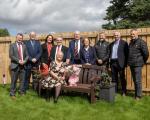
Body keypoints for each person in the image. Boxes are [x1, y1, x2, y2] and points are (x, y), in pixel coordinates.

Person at [128, 29, 149, 100]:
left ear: (137, 34)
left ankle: (138, 96)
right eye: (131, 34)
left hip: (138, 64)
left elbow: (146, 53)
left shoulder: (141, 42)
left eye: (133, 34)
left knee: (137, 80)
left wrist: (142, 61)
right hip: (131, 64)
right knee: (134, 80)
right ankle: (136, 94)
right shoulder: (131, 42)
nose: (132, 35)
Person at [9, 33, 29, 99]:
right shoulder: (12, 45)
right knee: (14, 80)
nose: (20, 39)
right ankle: (12, 93)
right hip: (15, 65)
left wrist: (25, 61)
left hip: (23, 66)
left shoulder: (24, 46)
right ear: (16, 38)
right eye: (19, 38)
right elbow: (11, 56)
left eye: (21, 38)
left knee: (22, 80)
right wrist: (19, 61)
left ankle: (21, 92)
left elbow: (27, 56)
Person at [109, 31, 128, 96]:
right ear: (113, 36)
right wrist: (109, 64)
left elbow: (126, 54)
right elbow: (109, 54)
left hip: (120, 63)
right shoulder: (111, 44)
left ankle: (124, 92)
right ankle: (115, 91)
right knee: (114, 78)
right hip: (113, 62)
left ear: (120, 36)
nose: (116, 36)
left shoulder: (124, 43)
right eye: (115, 35)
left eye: (117, 35)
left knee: (122, 78)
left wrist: (125, 64)